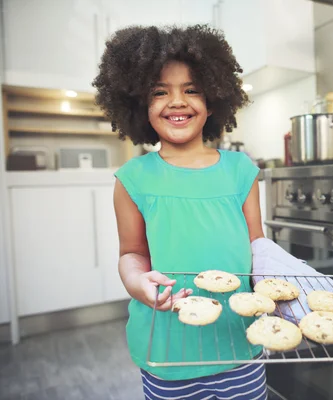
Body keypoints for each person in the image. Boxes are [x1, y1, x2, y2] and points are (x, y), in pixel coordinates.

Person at [92, 24, 267, 400]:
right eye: (160, 92)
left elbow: (258, 248)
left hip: (238, 345)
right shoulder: (133, 178)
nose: (177, 102)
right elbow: (132, 253)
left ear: (215, 99)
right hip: (168, 350)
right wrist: (137, 284)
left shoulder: (241, 170)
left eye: (192, 90)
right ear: (139, 104)